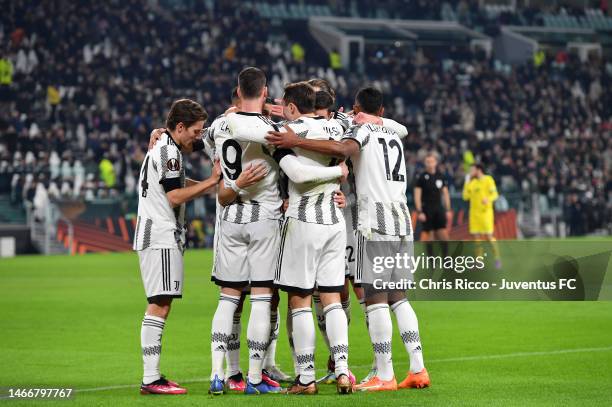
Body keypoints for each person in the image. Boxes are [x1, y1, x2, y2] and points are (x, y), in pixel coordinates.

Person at [266, 86, 430, 392]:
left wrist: (295, 140)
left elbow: (342, 151)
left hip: (375, 222)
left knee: (375, 299)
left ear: (357, 109)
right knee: (399, 297)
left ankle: (384, 374)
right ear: (382, 111)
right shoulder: (393, 132)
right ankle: (418, 368)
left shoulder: (360, 131)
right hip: (402, 220)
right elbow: (401, 127)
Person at [209, 67, 347, 395]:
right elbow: (339, 131)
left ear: (238, 90)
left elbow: (208, 135)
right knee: (266, 298)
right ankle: (257, 378)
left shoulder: (222, 125)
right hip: (273, 219)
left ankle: (221, 374)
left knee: (229, 299)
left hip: (231, 215)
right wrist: (339, 171)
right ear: (266, 90)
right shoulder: (284, 130)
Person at [134, 99, 221, 395]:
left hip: (154, 233)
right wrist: (211, 183)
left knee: (161, 301)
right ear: (179, 127)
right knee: (160, 302)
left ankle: (152, 376)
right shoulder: (169, 151)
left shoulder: (166, 146)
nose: (197, 138)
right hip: (160, 236)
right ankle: (150, 378)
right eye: (195, 131)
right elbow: (174, 197)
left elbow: (177, 183)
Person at [462, 163, 501, 267]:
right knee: (477, 237)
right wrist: (466, 181)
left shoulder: (488, 180)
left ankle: (497, 258)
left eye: (472, 170)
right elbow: (465, 196)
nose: (471, 172)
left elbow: (495, 194)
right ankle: (479, 261)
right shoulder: (472, 182)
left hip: (486, 213)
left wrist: (488, 199)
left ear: (478, 170)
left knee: (488, 237)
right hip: (474, 214)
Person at [414, 152, 452, 256]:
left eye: (432, 161)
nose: (430, 164)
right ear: (425, 163)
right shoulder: (421, 177)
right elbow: (417, 196)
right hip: (426, 209)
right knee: (429, 236)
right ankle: (431, 261)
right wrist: (419, 211)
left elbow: (446, 194)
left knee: (443, 235)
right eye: (427, 162)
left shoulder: (441, 176)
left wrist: (448, 210)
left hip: (438, 209)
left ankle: (446, 260)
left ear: (436, 162)